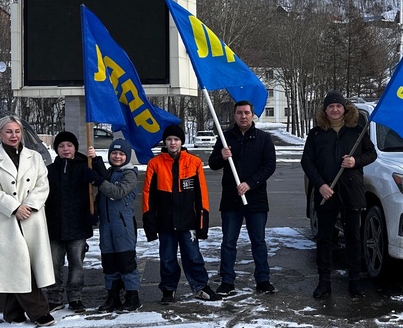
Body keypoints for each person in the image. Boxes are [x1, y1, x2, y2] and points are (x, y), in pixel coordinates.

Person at [0, 115, 56, 326]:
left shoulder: (35, 157)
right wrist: (14, 208)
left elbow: (43, 184)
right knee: (19, 263)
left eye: (17, 131)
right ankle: (39, 311)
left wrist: (29, 205)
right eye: (9, 132)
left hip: (31, 217)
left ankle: (12, 312)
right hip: (6, 219)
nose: (14, 136)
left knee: (22, 263)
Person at [300, 91, 377, 299]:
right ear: (325, 110)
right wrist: (321, 185)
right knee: (325, 239)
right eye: (331, 106)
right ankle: (324, 282)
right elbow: (307, 162)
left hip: (351, 192)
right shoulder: (316, 134)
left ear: (345, 108)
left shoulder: (357, 131)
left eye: (338, 106)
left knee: (353, 238)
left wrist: (355, 162)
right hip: (327, 193)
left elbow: (372, 154)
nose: (335, 109)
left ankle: (355, 282)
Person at [143, 124, 219, 303]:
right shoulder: (155, 164)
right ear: (165, 141)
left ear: (182, 141)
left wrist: (202, 224)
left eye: (176, 139)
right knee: (167, 258)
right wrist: (150, 225)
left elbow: (202, 196)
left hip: (189, 222)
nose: (173, 143)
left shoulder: (194, 162)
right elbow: (148, 196)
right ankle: (168, 289)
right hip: (165, 223)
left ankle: (200, 287)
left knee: (193, 257)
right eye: (169, 139)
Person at [208, 101, 277, 295]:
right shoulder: (225, 137)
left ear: (252, 114)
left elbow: (269, 166)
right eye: (239, 113)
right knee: (229, 242)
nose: (243, 116)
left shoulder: (263, 139)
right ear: (235, 115)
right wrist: (221, 156)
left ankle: (263, 279)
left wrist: (250, 184)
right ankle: (227, 280)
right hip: (231, 199)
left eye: (247, 112)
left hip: (256, 198)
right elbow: (212, 164)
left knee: (259, 241)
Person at [43, 131, 96, 314]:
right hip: (54, 226)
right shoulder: (49, 171)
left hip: (78, 226)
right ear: (56, 149)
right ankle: (54, 297)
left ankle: (75, 297)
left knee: (77, 264)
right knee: (53, 264)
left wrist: (95, 162)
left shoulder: (85, 168)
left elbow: (102, 182)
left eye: (69, 145)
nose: (66, 149)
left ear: (75, 148)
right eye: (61, 146)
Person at [90, 139, 142, 312]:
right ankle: (113, 296)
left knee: (126, 261)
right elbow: (101, 197)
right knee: (109, 262)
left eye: (121, 154)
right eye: (114, 153)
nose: (117, 156)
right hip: (107, 225)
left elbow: (117, 192)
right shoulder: (109, 173)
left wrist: (100, 181)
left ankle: (132, 296)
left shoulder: (129, 174)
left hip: (123, 225)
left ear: (127, 156)